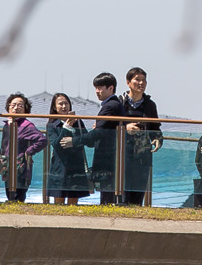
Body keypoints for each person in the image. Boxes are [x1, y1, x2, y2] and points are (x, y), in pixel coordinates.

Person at [113, 67, 161, 205]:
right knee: (121, 196)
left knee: (137, 197)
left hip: (142, 157)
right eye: (137, 80)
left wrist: (157, 139)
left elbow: (156, 128)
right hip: (121, 156)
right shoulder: (119, 103)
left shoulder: (150, 105)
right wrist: (125, 128)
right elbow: (107, 126)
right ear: (128, 82)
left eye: (144, 80)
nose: (141, 83)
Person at [43, 93, 92, 205]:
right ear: (55, 107)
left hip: (76, 167)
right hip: (60, 168)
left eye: (66, 103)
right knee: (59, 203)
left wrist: (73, 141)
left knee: (73, 204)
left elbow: (87, 140)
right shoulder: (51, 125)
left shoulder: (78, 122)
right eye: (60, 104)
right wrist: (67, 127)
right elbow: (56, 144)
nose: (64, 106)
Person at [0, 94, 47, 203]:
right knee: (10, 196)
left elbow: (42, 140)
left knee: (18, 197)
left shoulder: (26, 125)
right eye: (13, 105)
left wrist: (29, 151)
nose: (16, 108)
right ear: (8, 107)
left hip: (21, 168)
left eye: (20, 105)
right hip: (7, 167)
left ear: (25, 109)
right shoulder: (7, 125)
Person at [89, 72, 124, 204]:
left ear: (110, 88)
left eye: (100, 88)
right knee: (107, 193)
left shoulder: (110, 106)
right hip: (112, 157)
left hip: (108, 157)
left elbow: (99, 132)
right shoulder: (113, 104)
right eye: (95, 88)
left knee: (107, 195)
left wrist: (76, 141)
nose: (97, 91)